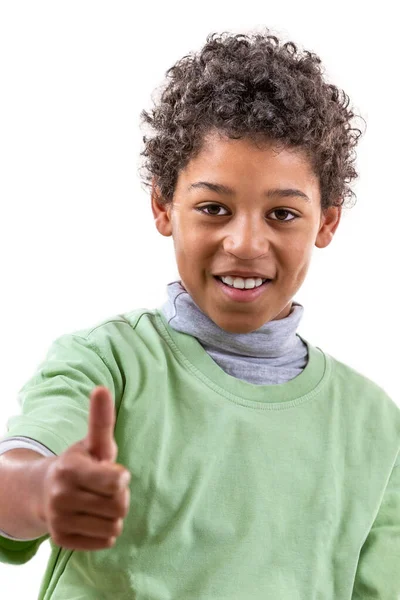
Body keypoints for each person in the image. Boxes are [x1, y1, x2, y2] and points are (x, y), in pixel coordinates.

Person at [0, 28, 399, 599]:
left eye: (282, 214)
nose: (244, 243)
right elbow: (15, 476)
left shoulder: (376, 427)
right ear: (164, 205)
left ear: (327, 223)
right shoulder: (107, 364)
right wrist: (44, 490)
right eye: (214, 207)